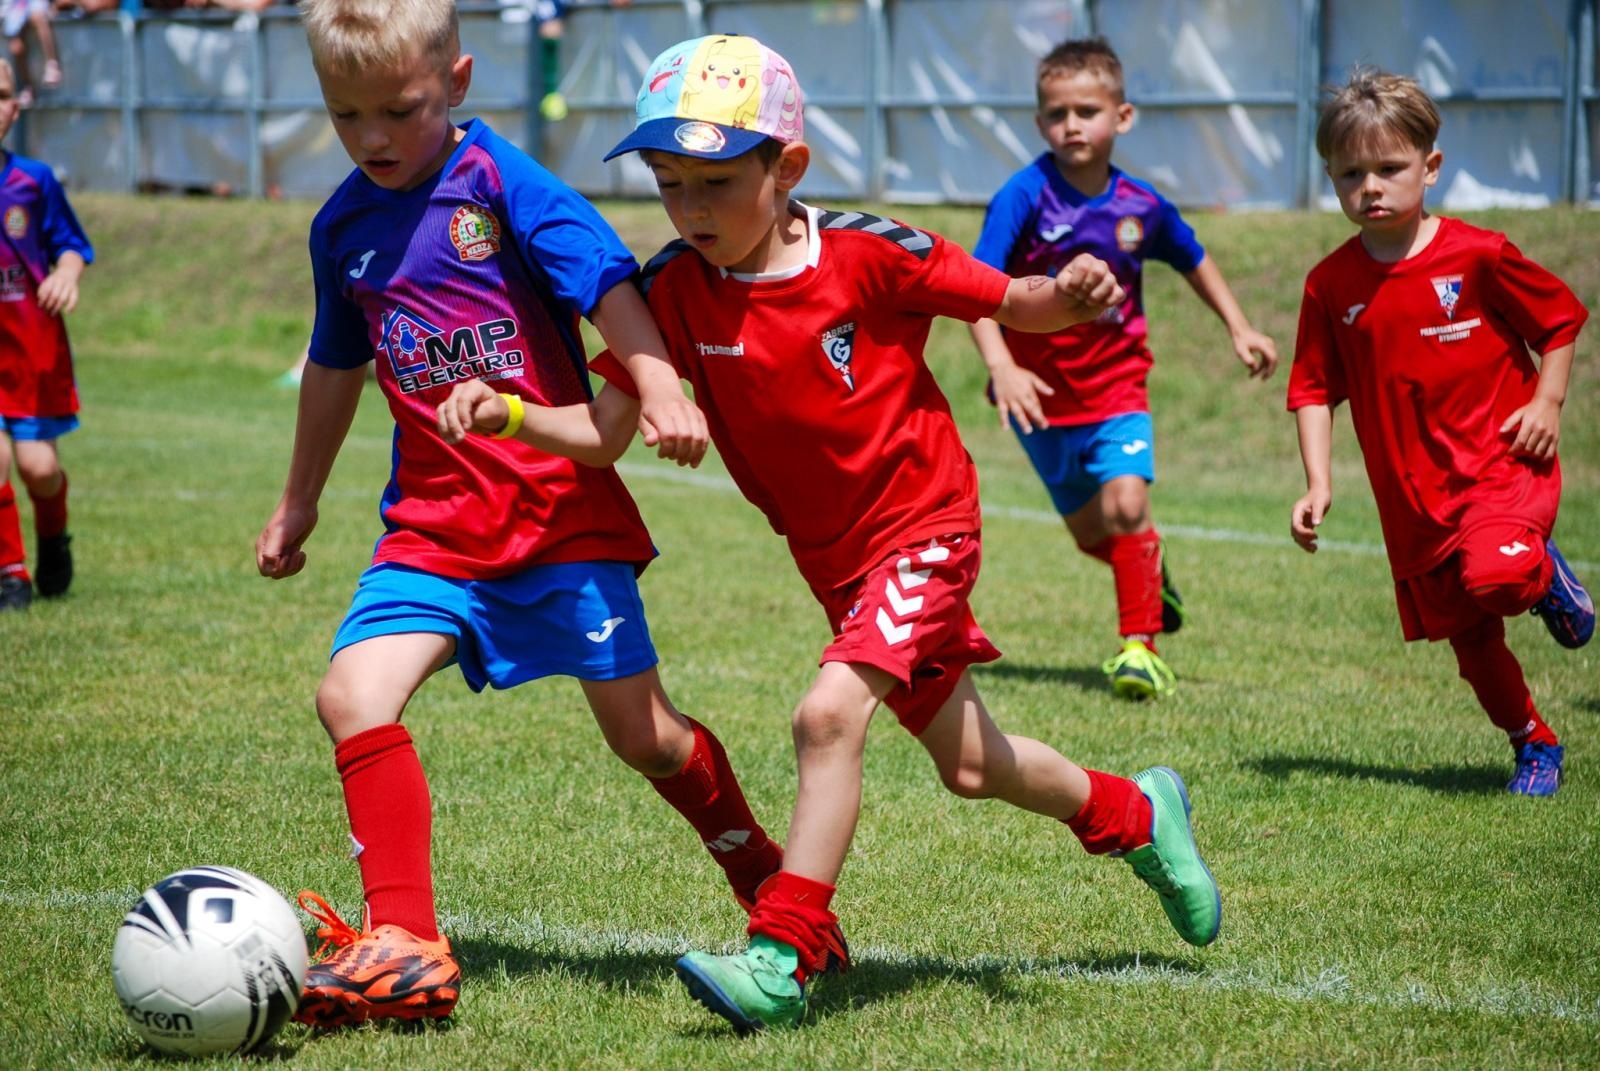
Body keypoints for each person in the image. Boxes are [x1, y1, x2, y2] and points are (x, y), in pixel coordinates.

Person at [566, 33, 1222, 1032]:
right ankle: (1137, 812)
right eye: (668, 185)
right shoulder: (669, 290)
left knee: (826, 717)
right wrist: (509, 415)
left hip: (924, 528)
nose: (690, 210)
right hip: (836, 567)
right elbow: (603, 436)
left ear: (786, 168)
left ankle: (780, 957)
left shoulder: (872, 251)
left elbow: (1013, 303)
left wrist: (1073, 298)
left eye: (714, 182)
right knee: (972, 767)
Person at [254, 0, 833, 1029]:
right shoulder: (341, 226)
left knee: (648, 741)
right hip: (431, 531)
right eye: (346, 117)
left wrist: (655, 385)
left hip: (559, 523)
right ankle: (408, 946)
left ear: (459, 81)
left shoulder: (505, 186)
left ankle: (767, 885)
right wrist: (298, 501)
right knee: (351, 696)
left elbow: (609, 285)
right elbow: (337, 367)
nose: (373, 138)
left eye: (399, 109)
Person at [1288, 68, 1592, 798]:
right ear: (1330, 179)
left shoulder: (1479, 255)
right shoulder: (1330, 286)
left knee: (1499, 574)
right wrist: (1319, 482)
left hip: (1501, 470)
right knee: (1473, 643)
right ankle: (1534, 743)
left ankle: (1544, 574)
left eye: (1390, 168)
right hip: (1414, 503)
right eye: (1349, 173)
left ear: (1430, 167)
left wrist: (1548, 403)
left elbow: (1558, 320)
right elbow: (1312, 389)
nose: (1370, 186)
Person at [968, 37, 1279, 700]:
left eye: (1087, 109)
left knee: (1128, 502)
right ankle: (1150, 575)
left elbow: (1191, 255)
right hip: (1041, 400)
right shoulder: (1021, 197)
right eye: (1056, 113)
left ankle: (1139, 648)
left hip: (1116, 386)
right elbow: (976, 289)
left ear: (1123, 116)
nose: (1071, 124)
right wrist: (1003, 366)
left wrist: (1239, 325)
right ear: (1039, 122)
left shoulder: (1141, 204)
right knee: (1094, 536)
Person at [0, 57, 91, 612]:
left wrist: (65, 274)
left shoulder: (33, 181)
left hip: (29, 349)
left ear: (17, 102)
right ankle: (12, 574)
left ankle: (53, 538)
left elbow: (72, 246)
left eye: (3, 92)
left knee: (39, 468)